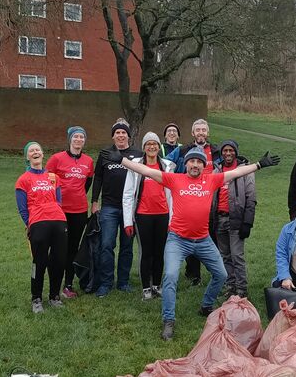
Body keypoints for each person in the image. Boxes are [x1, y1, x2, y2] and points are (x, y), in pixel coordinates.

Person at [101, 145, 280, 340]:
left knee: (220, 274)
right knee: (170, 277)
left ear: (204, 166)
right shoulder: (175, 179)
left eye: (199, 162)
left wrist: (259, 165)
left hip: (203, 240)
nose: (195, 165)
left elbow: (237, 172)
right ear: (185, 164)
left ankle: (206, 305)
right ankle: (168, 320)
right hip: (178, 240)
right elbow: (146, 170)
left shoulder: (211, 180)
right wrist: (122, 160)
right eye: (192, 161)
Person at [91, 118, 142, 298]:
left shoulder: (137, 154)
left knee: (127, 246)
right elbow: (97, 178)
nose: (120, 135)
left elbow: (142, 179)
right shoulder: (105, 154)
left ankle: (123, 282)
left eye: (123, 132)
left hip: (130, 208)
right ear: (113, 137)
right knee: (106, 244)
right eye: (117, 133)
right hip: (109, 207)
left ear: (128, 136)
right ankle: (106, 282)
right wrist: (95, 201)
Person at [166, 118, 220, 285]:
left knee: (212, 239)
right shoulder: (182, 150)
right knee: (191, 237)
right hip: (190, 196)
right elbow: (166, 162)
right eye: (198, 130)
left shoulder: (216, 150)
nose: (201, 133)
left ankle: (215, 273)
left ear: (208, 133)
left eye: (204, 130)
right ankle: (194, 275)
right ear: (193, 133)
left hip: (213, 201)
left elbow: (227, 167)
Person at [15, 141, 68, 313]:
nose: (35, 152)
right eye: (31, 151)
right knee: (40, 262)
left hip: (58, 222)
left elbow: (58, 201)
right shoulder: (23, 180)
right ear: (27, 156)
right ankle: (36, 298)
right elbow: (23, 209)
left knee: (59, 261)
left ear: (43, 154)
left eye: (38, 149)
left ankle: (54, 296)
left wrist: (55, 214)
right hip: (38, 224)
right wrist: (31, 224)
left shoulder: (54, 177)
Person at [122, 132, 175, 301]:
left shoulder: (167, 166)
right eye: (148, 144)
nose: (152, 147)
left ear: (159, 147)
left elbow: (172, 195)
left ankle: (157, 285)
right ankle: (146, 287)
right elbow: (128, 194)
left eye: (155, 144)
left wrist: (172, 219)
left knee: (159, 252)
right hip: (143, 215)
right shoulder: (135, 166)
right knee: (146, 252)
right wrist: (127, 221)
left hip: (162, 215)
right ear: (144, 148)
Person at [46, 126, 94, 298]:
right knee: (58, 248)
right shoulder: (56, 159)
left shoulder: (88, 161)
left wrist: (78, 195)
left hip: (80, 211)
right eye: (76, 137)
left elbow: (88, 183)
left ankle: (68, 285)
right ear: (70, 139)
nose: (79, 140)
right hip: (59, 211)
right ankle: (54, 285)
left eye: (82, 137)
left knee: (73, 248)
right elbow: (47, 182)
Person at [210, 140, 256, 298]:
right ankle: (230, 286)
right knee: (225, 256)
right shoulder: (217, 171)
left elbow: (251, 198)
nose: (228, 153)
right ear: (221, 153)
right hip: (219, 219)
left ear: (235, 152)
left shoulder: (245, 170)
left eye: (231, 150)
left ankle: (242, 289)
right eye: (225, 151)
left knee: (237, 256)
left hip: (237, 218)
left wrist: (247, 222)